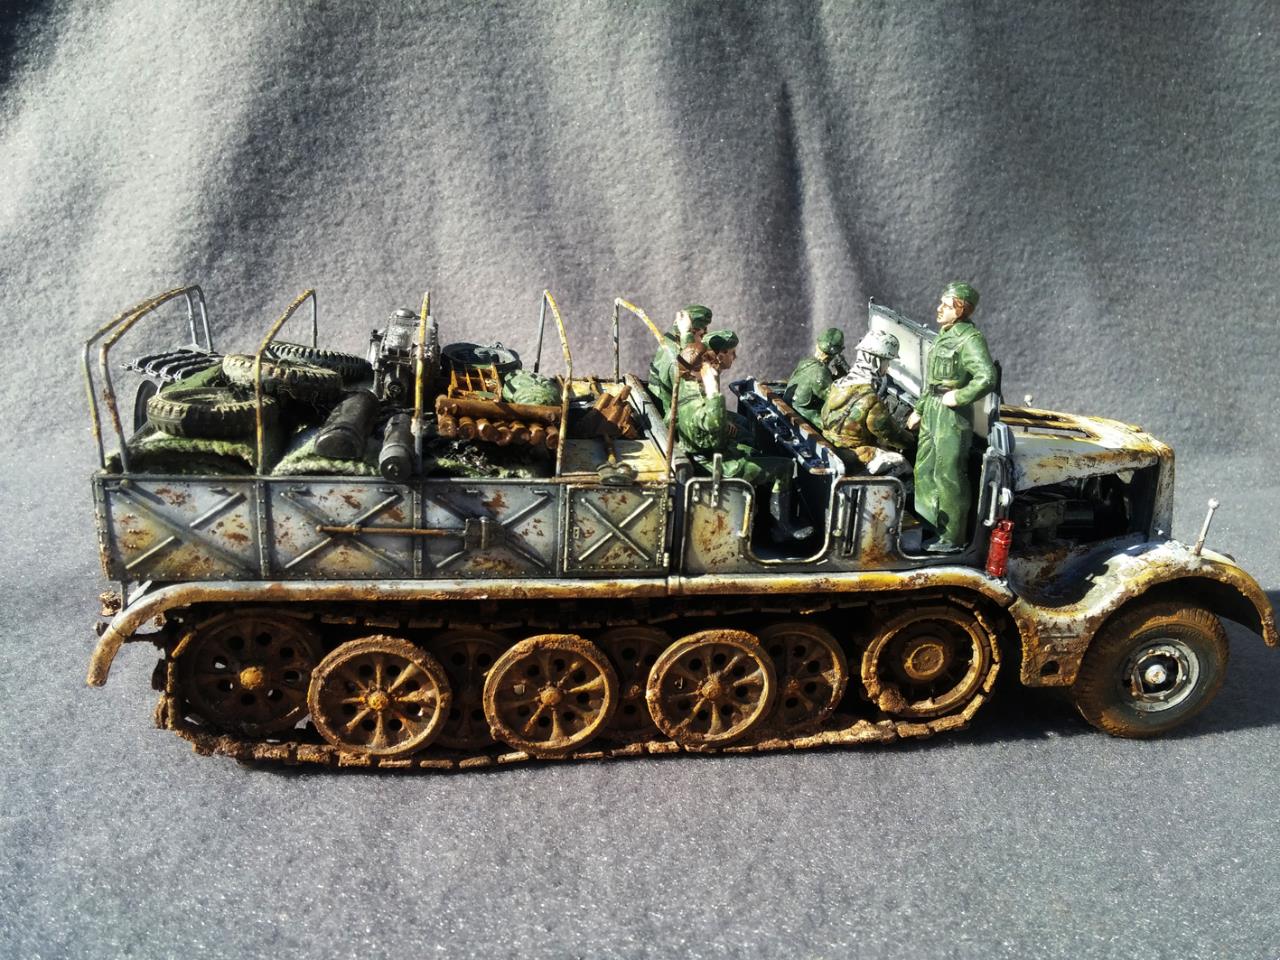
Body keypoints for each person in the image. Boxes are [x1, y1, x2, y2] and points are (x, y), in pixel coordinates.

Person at [675, 354, 812, 542]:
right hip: (718, 464)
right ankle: (782, 527)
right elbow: (714, 422)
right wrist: (713, 387)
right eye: (707, 367)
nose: (713, 370)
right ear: (696, 371)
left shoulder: (685, 388)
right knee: (785, 467)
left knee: (754, 451)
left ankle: (762, 516)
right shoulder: (699, 402)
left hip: (708, 456)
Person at [907, 282, 998, 553]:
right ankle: (929, 524)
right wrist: (919, 410)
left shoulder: (969, 339)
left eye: (946, 305)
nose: (939, 309)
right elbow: (930, 382)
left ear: (960, 310)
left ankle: (951, 537)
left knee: (949, 474)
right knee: (924, 468)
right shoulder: (943, 335)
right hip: (933, 408)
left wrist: (959, 396)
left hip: (952, 415)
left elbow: (986, 377)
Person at [820, 329, 916, 476]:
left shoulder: (839, 384)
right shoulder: (870, 400)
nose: (888, 367)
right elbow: (890, 435)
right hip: (853, 454)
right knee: (902, 463)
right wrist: (912, 439)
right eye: (887, 362)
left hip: (831, 446)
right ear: (877, 362)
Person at [647, 305, 711, 416]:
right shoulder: (678, 357)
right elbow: (688, 390)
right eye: (702, 334)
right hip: (674, 410)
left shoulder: (671, 338)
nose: (703, 338)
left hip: (661, 396)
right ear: (693, 331)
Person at [784, 327, 847, 426]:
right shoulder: (820, 373)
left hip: (790, 406)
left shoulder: (807, 362)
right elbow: (834, 401)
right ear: (837, 353)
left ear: (817, 345)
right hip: (802, 416)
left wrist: (837, 377)